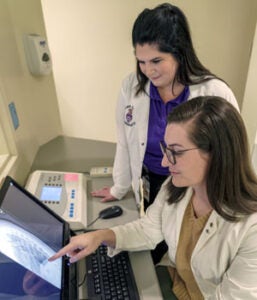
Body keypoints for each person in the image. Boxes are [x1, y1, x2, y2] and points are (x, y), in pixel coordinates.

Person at [50, 96, 257, 299]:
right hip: (175, 282)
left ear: (216, 153)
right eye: (166, 149)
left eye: (176, 152)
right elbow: (148, 229)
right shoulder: (178, 187)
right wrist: (100, 236)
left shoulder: (251, 228)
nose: (166, 163)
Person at [91, 2, 239, 264]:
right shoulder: (132, 87)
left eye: (157, 60)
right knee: (153, 239)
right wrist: (119, 187)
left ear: (180, 53)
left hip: (198, 185)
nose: (149, 70)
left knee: (193, 250)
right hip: (150, 179)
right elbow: (124, 141)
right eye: (142, 61)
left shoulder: (214, 93)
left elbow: (232, 153)